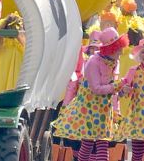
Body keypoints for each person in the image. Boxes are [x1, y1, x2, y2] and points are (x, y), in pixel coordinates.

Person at [51, 28, 128, 161]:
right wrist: (117, 85)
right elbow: (96, 88)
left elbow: (110, 88)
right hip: (89, 110)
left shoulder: (112, 62)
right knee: (89, 144)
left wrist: (122, 91)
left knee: (100, 144)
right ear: (110, 49)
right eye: (118, 48)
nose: (121, 52)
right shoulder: (93, 62)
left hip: (103, 110)